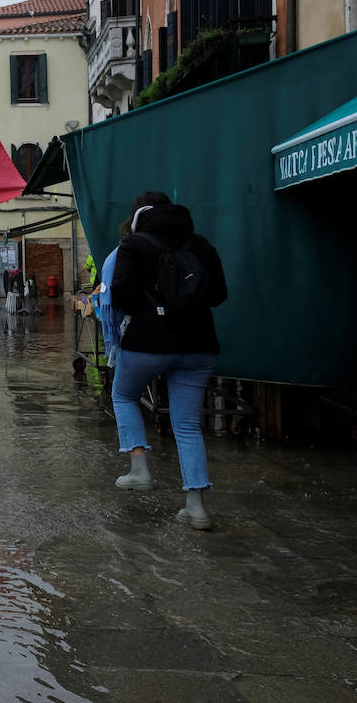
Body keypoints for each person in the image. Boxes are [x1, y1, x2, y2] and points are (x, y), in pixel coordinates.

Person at [108, 191, 228, 530]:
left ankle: (140, 469)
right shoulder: (201, 244)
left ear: (139, 216)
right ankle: (197, 508)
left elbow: (121, 295)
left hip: (148, 343)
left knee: (124, 395)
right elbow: (219, 294)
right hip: (199, 345)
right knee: (188, 425)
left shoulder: (133, 245)